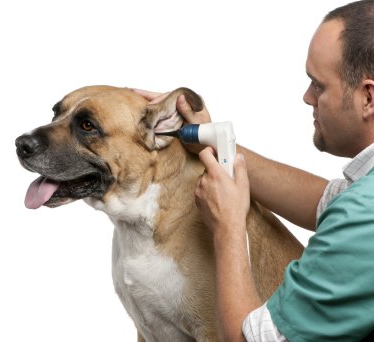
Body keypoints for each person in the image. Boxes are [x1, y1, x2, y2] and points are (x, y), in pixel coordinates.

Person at [134, 0, 374, 340]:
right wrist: (213, 142)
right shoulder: (364, 199)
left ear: (368, 97)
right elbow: (330, 202)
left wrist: (229, 228)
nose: (307, 97)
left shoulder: (364, 218)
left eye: (318, 85)